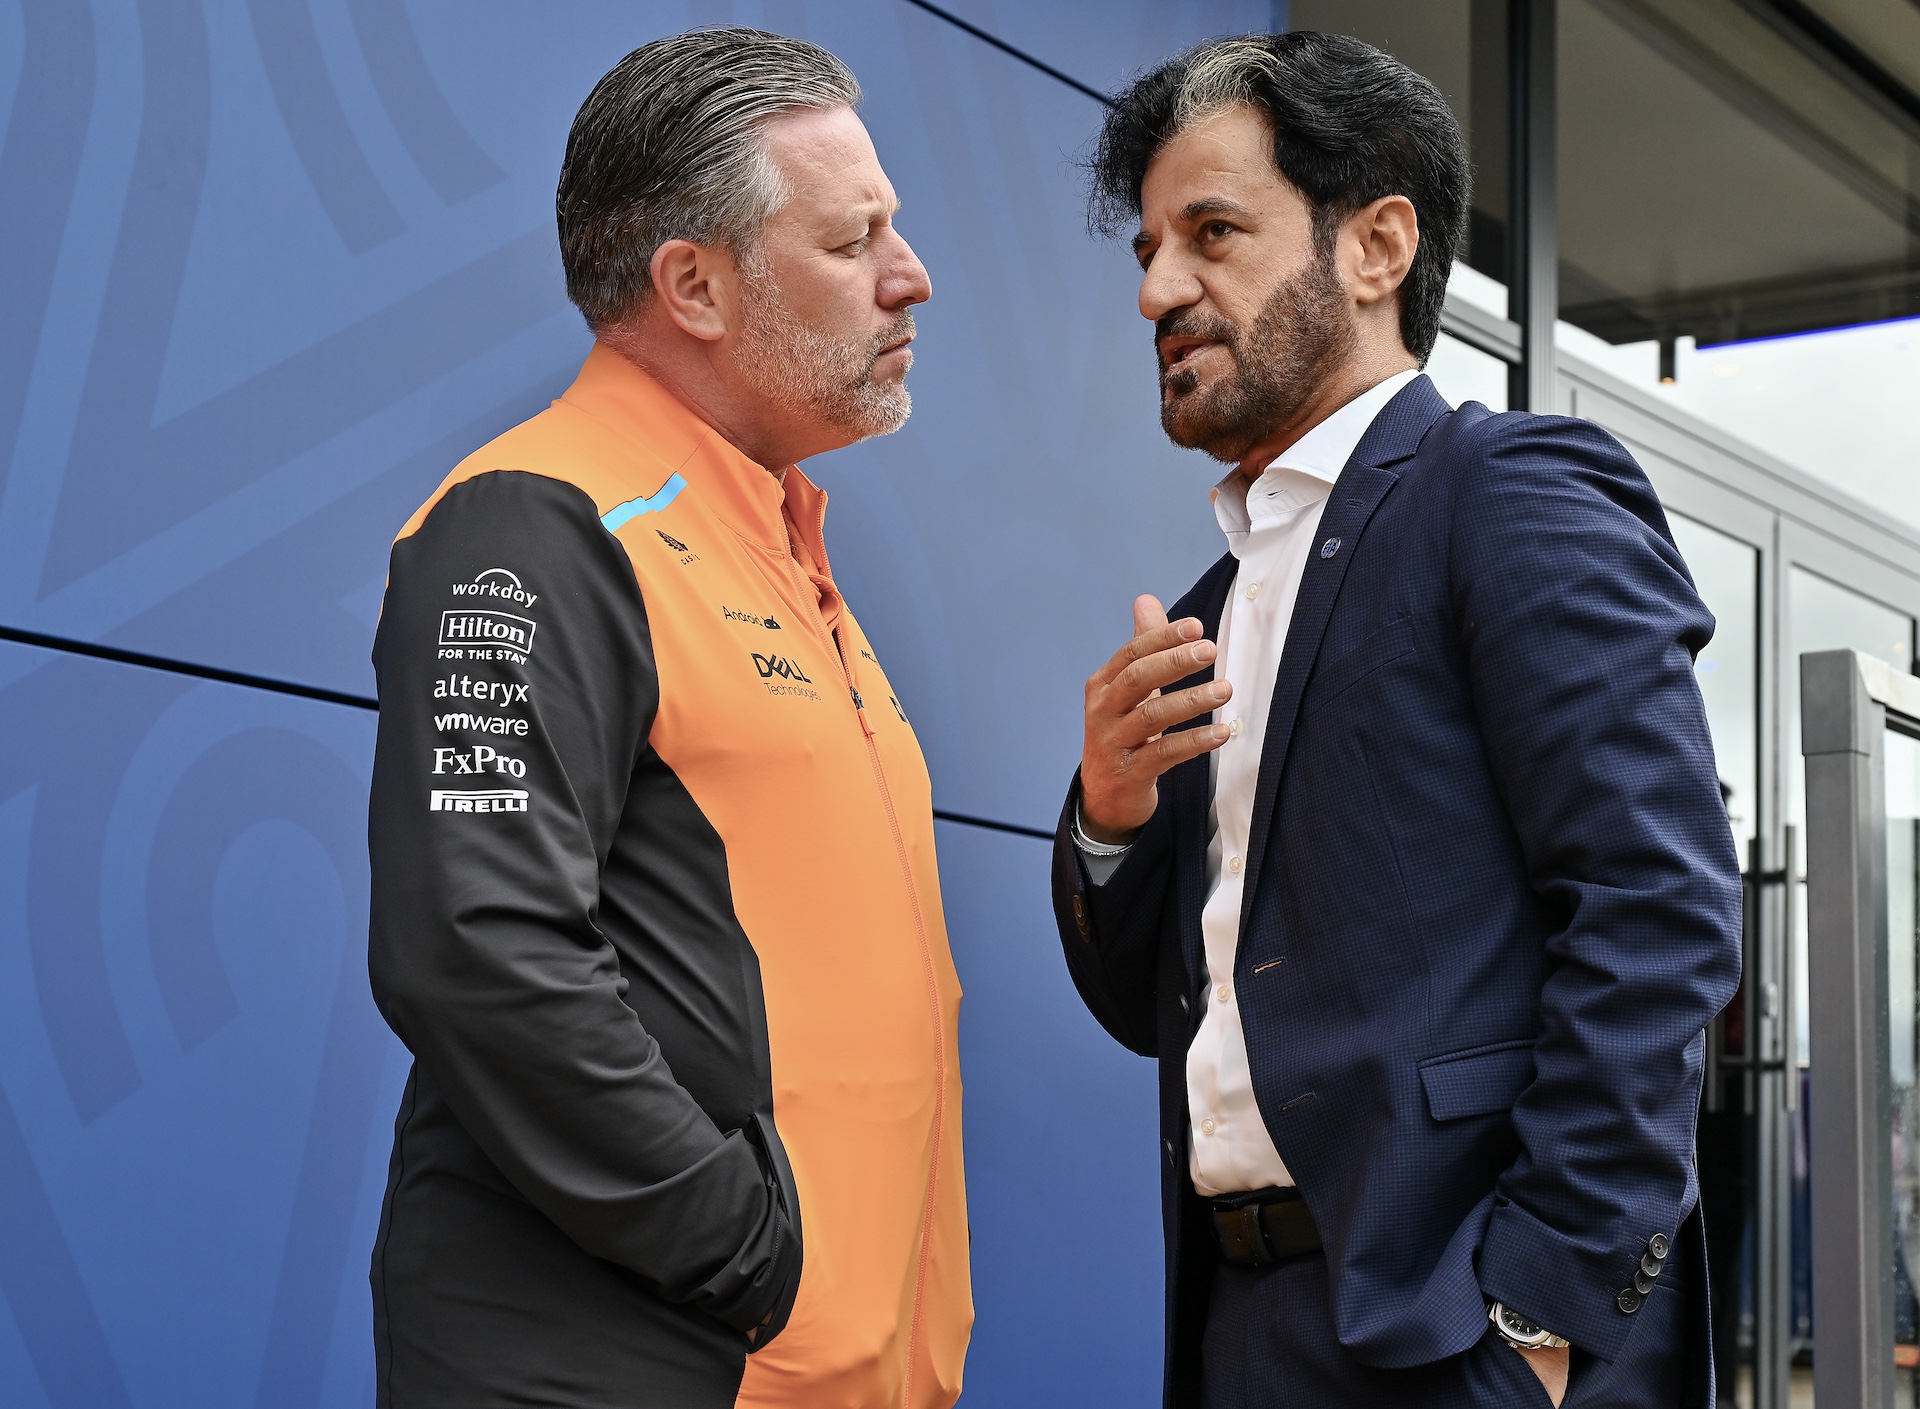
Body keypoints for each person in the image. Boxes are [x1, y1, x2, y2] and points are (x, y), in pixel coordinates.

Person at [1051, 32, 1740, 1409]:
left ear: (1376, 246)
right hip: (1246, 1329)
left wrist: (1538, 1320)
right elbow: (1159, 1010)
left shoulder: (1510, 495)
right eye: (1146, 249)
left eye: (1213, 232)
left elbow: (1660, 910)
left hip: (1462, 1340)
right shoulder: (1208, 600)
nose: (1158, 289)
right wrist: (1112, 820)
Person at [366, 28, 970, 1409]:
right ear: (694, 283)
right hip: (636, 1365)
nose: (911, 272)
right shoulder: (536, 524)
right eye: (854, 236)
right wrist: (752, 1257)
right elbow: (479, 948)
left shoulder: (776, 550)